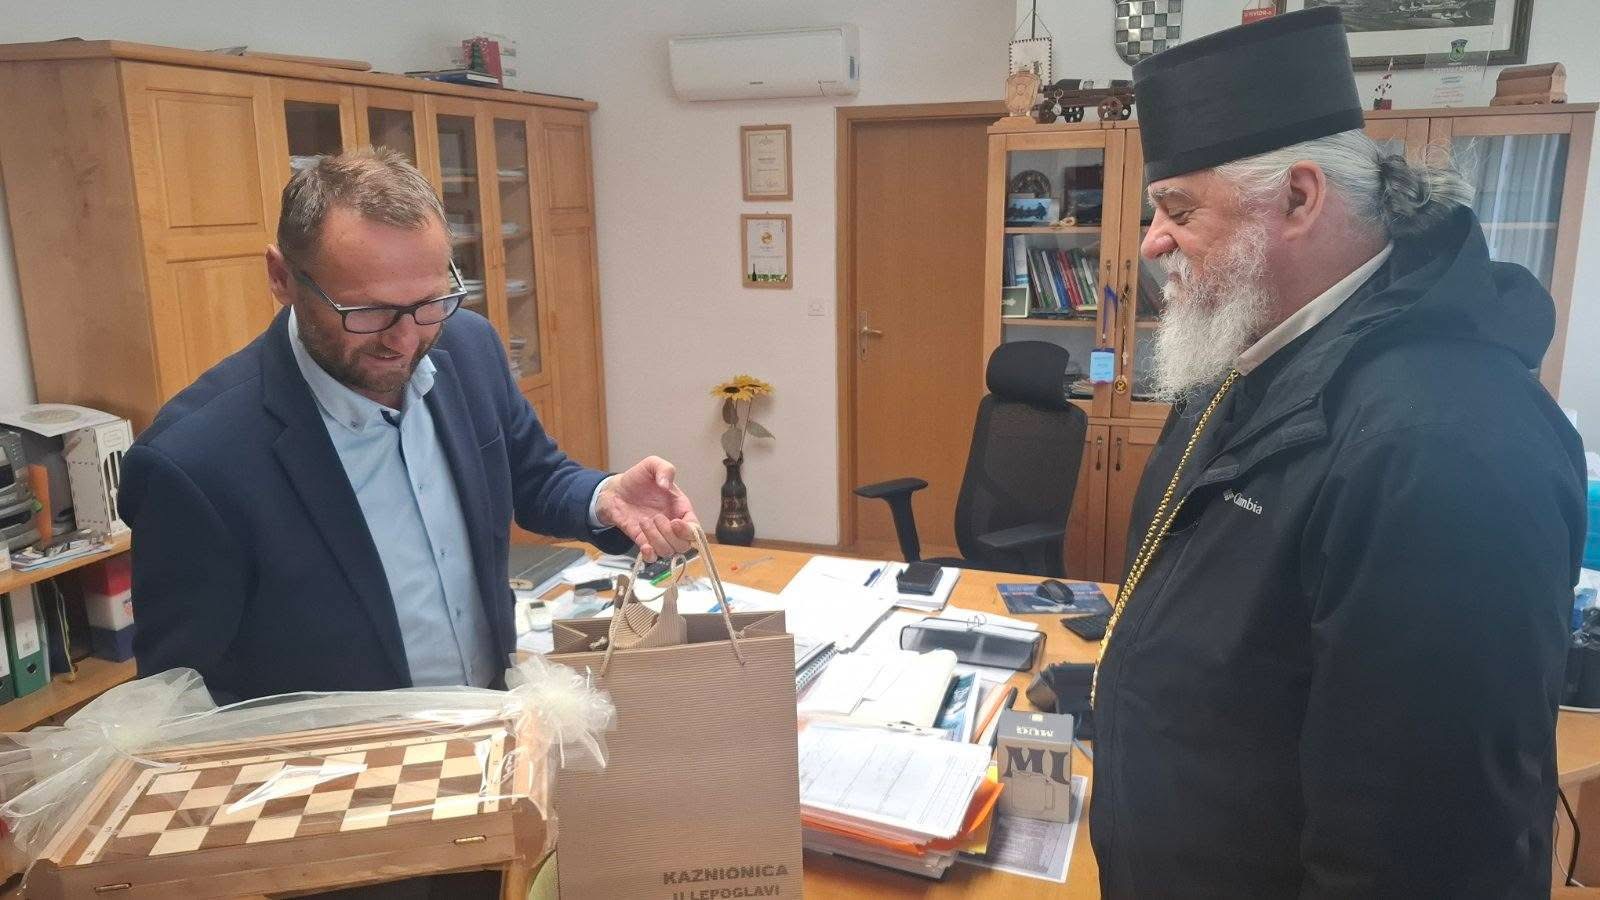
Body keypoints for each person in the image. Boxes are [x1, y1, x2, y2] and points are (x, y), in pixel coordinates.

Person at [1089, 9, 1588, 898]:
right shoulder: (1248, 361)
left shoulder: (1444, 445)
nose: (1151, 242)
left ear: (1299, 197)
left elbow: (1424, 854)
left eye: (1178, 209)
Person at [121, 148, 699, 705]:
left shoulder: (468, 349)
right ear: (281, 277)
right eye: (366, 311)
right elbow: (182, 700)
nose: (404, 341)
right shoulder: (195, 462)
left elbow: (533, 475)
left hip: (491, 719)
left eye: (429, 303)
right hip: (344, 766)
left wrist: (605, 498)